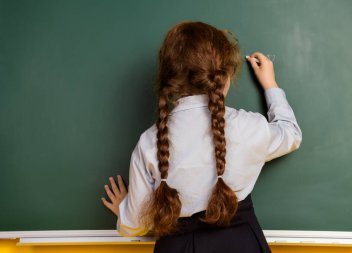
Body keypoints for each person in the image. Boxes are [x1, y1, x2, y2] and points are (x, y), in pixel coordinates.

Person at [101, 20, 302, 253]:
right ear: (225, 76)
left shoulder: (149, 142)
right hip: (241, 245)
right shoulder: (248, 127)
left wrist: (124, 212)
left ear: (170, 80)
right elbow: (291, 134)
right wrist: (270, 85)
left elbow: (135, 224)